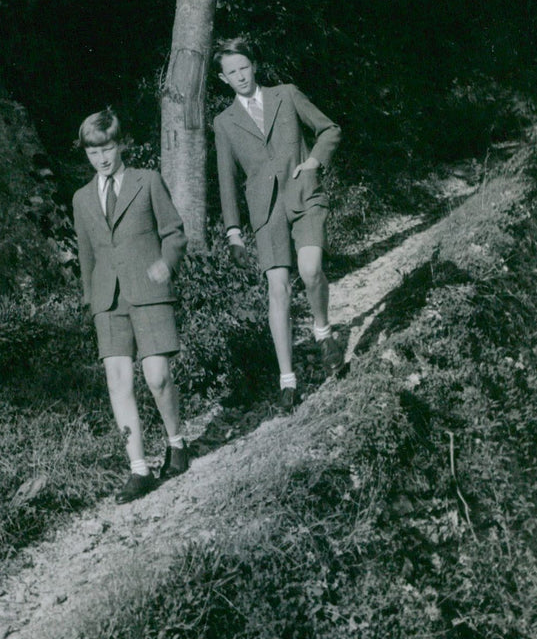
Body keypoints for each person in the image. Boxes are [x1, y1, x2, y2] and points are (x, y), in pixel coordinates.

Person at [212, 36, 346, 411]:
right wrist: (234, 232)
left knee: (311, 268)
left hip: (304, 196)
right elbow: (226, 182)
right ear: (223, 79)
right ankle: (287, 379)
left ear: (254, 65)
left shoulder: (286, 95)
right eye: (231, 72)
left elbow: (329, 129)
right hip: (265, 214)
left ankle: (322, 332)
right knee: (278, 290)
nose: (240, 76)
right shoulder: (224, 123)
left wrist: (315, 162)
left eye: (244, 68)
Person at [72, 108, 189, 504]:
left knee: (157, 377)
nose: (102, 158)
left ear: (120, 144)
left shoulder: (148, 181)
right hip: (108, 302)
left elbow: (174, 231)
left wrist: (166, 263)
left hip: (150, 291)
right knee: (117, 383)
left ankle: (176, 442)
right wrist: (92, 302)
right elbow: (85, 255)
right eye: (93, 152)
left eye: (107, 149)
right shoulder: (81, 198)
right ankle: (138, 469)